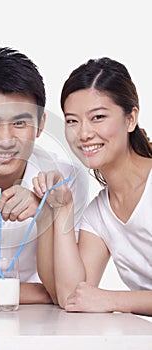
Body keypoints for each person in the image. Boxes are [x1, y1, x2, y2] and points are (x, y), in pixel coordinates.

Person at [0, 47, 88, 304]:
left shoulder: (65, 178)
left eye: (20, 123)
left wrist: (45, 212)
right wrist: (42, 294)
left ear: (41, 124)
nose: (6, 140)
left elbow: (68, 294)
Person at [33, 57, 152, 315]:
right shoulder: (99, 213)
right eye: (72, 121)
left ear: (131, 119)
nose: (83, 133)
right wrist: (61, 208)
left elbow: (98, 299)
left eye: (97, 117)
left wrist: (114, 300)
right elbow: (71, 296)